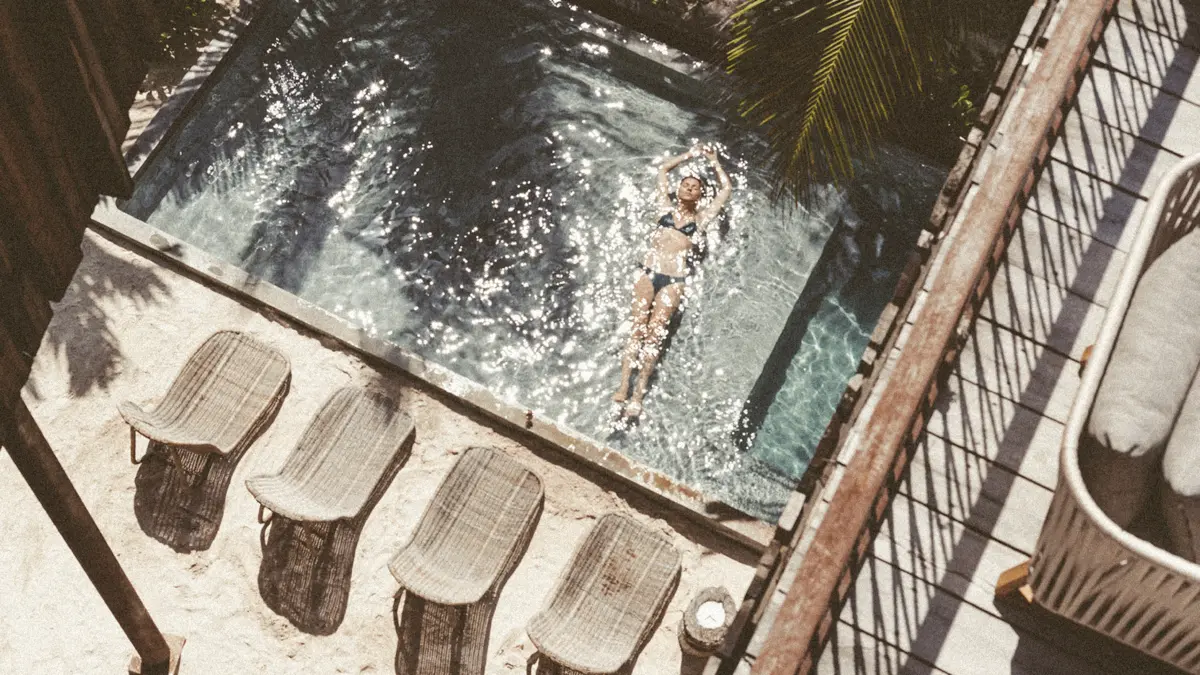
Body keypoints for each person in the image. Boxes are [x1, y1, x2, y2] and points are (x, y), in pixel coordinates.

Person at [611, 143, 732, 418]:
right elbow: (664, 169)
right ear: (678, 190)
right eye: (685, 184)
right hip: (649, 273)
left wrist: (713, 162)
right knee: (637, 330)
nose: (689, 187)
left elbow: (725, 191)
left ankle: (638, 395)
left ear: (701, 195)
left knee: (654, 336)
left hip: (674, 280)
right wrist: (689, 155)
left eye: (695, 186)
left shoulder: (701, 220)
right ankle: (622, 386)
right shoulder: (663, 207)